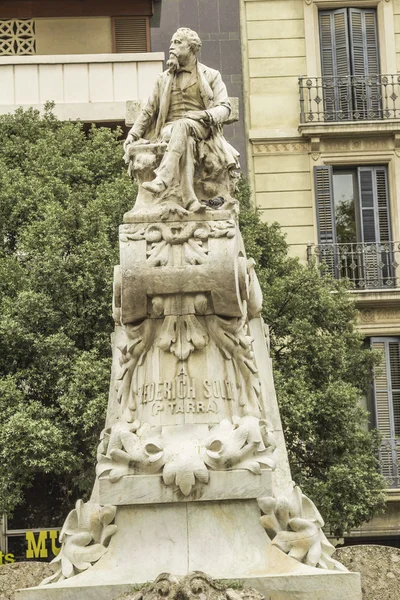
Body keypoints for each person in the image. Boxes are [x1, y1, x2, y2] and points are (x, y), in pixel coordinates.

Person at [124, 27, 238, 211]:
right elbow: (148, 110)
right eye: (171, 42)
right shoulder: (163, 79)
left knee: (184, 127)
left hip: (202, 126)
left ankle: (163, 179)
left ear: (191, 48)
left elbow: (224, 108)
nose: (171, 47)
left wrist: (203, 115)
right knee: (184, 134)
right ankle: (190, 199)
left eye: (177, 43)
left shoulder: (211, 75)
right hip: (170, 129)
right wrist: (133, 134)